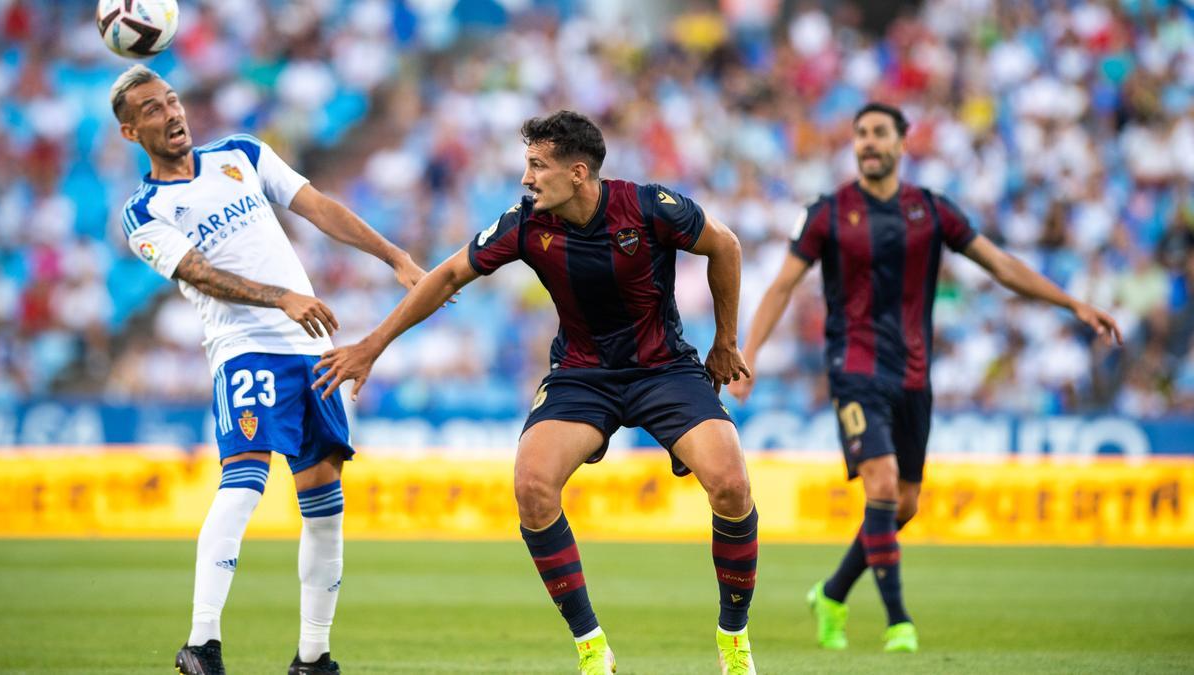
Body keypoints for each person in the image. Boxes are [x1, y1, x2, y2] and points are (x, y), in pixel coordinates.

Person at [312, 110, 759, 674]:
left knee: (731, 484)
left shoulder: (647, 206)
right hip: (581, 375)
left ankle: (734, 638)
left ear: (577, 173)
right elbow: (449, 275)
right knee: (532, 487)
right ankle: (592, 648)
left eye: (536, 166)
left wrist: (725, 340)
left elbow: (727, 246)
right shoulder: (524, 224)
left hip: (664, 368)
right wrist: (372, 345)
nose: (526, 178)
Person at [729, 102, 1122, 654]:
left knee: (904, 505)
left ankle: (833, 593)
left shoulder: (932, 211)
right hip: (853, 369)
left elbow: (1002, 266)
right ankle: (898, 622)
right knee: (883, 485)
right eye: (860, 134)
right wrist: (748, 353)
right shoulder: (828, 212)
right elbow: (782, 287)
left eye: (879, 134)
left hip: (914, 375)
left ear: (902, 143)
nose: (867, 142)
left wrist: (1073, 304)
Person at [112, 64, 432, 675]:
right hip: (245, 349)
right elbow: (198, 273)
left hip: (312, 354)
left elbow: (318, 207)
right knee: (245, 484)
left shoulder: (240, 153)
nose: (171, 114)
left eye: (173, 100)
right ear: (131, 133)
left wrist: (394, 255)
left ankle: (314, 656)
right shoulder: (144, 210)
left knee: (326, 502)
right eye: (152, 109)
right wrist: (280, 296)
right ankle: (202, 643)